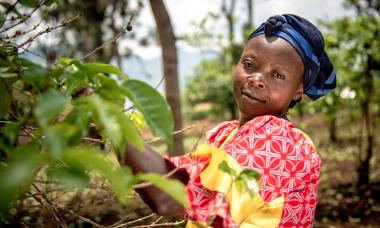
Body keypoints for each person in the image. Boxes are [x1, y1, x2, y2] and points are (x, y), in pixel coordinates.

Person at [122, 14, 336, 227]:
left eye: (278, 75)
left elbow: (168, 197)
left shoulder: (278, 143)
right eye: (249, 64)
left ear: (299, 90)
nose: (257, 79)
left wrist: (114, 125)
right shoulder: (229, 134)